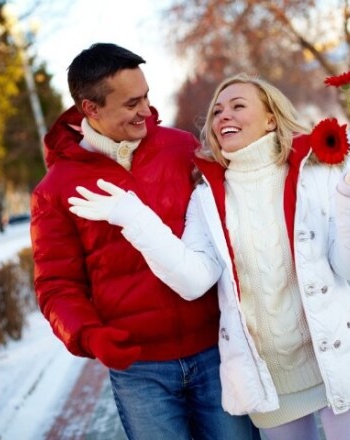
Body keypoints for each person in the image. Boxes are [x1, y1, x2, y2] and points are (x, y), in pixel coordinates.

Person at [68, 73, 350, 440]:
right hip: (270, 380)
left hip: (337, 357)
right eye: (217, 111)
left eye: (238, 106)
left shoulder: (315, 171)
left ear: (270, 118)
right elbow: (194, 280)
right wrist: (133, 216)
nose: (224, 115)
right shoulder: (207, 197)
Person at [29, 44, 258, 440]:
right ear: (91, 109)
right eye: (132, 103)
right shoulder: (55, 190)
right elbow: (56, 286)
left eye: (147, 96)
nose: (146, 111)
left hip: (216, 350)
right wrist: (88, 335)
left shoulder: (181, 148)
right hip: (140, 372)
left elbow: (247, 195)